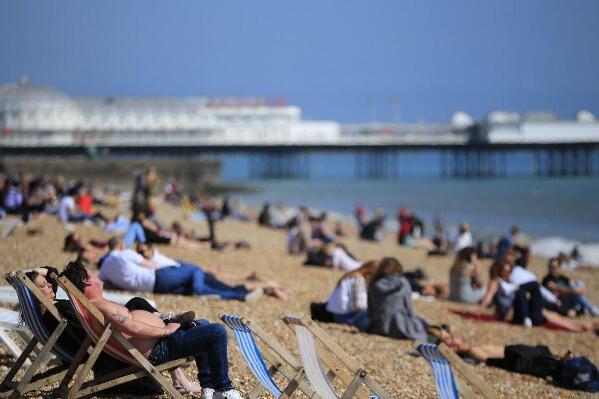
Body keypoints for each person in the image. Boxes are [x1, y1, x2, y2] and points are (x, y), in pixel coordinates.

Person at [61, 261, 245, 399]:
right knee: (217, 332)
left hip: (159, 343)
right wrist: (166, 331)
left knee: (202, 324)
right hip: (159, 349)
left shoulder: (95, 305)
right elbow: (133, 326)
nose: (96, 274)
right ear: (86, 280)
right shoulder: (101, 307)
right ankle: (225, 388)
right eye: (92, 272)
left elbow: (131, 324)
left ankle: (209, 387)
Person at [15, 267, 200, 396]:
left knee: (135, 304)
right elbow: (85, 328)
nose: (49, 286)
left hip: (91, 343)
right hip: (100, 348)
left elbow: (55, 273)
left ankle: (166, 319)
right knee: (138, 312)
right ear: (35, 293)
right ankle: (168, 323)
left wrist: (30, 274)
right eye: (44, 286)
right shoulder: (61, 310)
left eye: (48, 283)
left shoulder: (47, 311)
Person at [100, 237, 265, 302]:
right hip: (159, 278)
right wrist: (171, 269)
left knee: (197, 282)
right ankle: (237, 294)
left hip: (156, 289)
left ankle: (239, 293)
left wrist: (125, 285)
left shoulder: (105, 266)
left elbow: (105, 284)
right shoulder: (125, 253)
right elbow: (149, 265)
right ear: (121, 246)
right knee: (195, 270)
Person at [135, 242, 288, 301]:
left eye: (145, 250)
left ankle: (264, 286)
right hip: (187, 276)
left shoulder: (159, 255)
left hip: (189, 272)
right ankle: (265, 287)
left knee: (223, 285)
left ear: (152, 248)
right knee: (222, 286)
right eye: (141, 253)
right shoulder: (149, 263)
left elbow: (186, 265)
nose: (144, 253)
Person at [477, 260, 599, 332]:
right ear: (499, 271)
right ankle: (579, 327)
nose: (508, 273)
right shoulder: (497, 282)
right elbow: (488, 296)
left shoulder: (510, 282)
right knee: (526, 290)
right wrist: (480, 311)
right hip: (510, 313)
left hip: (521, 309)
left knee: (551, 314)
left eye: (509, 271)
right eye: (505, 271)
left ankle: (579, 326)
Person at [367, 257, 435, 342]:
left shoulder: (374, 285)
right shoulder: (403, 283)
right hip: (399, 327)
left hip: (379, 327)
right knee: (420, 322)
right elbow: (409, 309)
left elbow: (370, 311)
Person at [325, 261, 379, 332]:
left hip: (337, 315)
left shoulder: (349, 276)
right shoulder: (358, 280)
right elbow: (359, 305)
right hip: (346, 317)